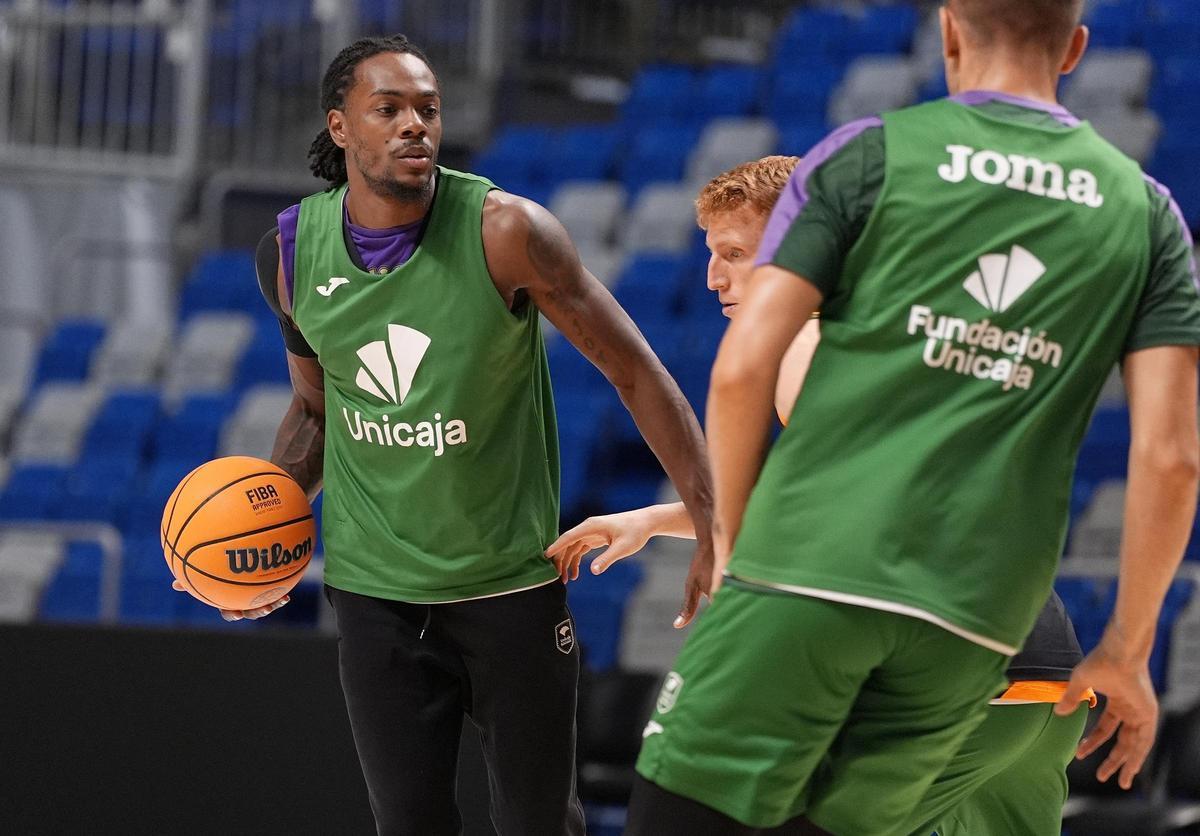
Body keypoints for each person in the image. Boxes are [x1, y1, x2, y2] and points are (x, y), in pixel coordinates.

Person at [620, 2, 1200, 833]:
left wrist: (736, 555)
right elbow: (1172, 457)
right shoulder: (1147, 211)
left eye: (731, 256)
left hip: (825, 583)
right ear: (1075, 48)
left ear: (949, 32)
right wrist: (1131, 648)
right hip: (989, 622)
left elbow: (744, 368)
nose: (717, 275)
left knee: (676, 814)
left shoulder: (869, 155)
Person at [187, 33, 716, 836]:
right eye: (389, 109)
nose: (415, 125)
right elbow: (318, 410)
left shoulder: (507, 231)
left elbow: (636, 372)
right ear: (340, 127)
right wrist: (264, 536)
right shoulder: (291, 253)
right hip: (376, 594)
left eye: (428, 109)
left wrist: (709, 517)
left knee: (540, 824)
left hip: (508, 586)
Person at [548, 154, 1095, 835]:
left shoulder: (806, 340)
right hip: (1045, 671)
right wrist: (659, 519)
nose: (713, 276)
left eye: (734, 253)